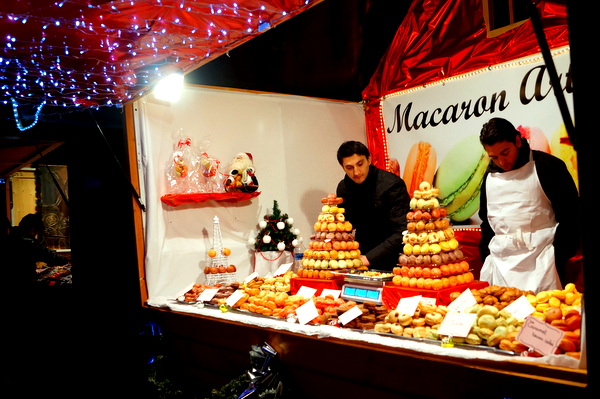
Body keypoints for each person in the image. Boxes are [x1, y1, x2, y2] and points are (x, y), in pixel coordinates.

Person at [478, 117, 580, 293]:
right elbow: (487, 224)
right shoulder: (488, 178)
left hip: (543, 264)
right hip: (500, 265)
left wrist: (557, 257)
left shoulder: (549, 166)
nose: (502, 162)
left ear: (517, 141)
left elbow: (571, 217)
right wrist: (486, 255)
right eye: (494, 157)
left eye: (505, 153)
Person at [336, 141, 410, 271]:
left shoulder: (392, 184)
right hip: (360, 258)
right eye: (349, 168)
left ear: (369, 160)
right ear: (343, 167)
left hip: (394, 259)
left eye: (360, 164)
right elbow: (346, 226)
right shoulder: (344, 187)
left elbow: (403, 230)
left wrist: (369, 258)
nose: (356, 172)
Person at [4, 213, 69, 294]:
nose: (35, 236)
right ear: (32, 230)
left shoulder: (13, 235)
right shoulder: (28, 242)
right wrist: (67, 259)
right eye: (36, 233)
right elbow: (49, 256)